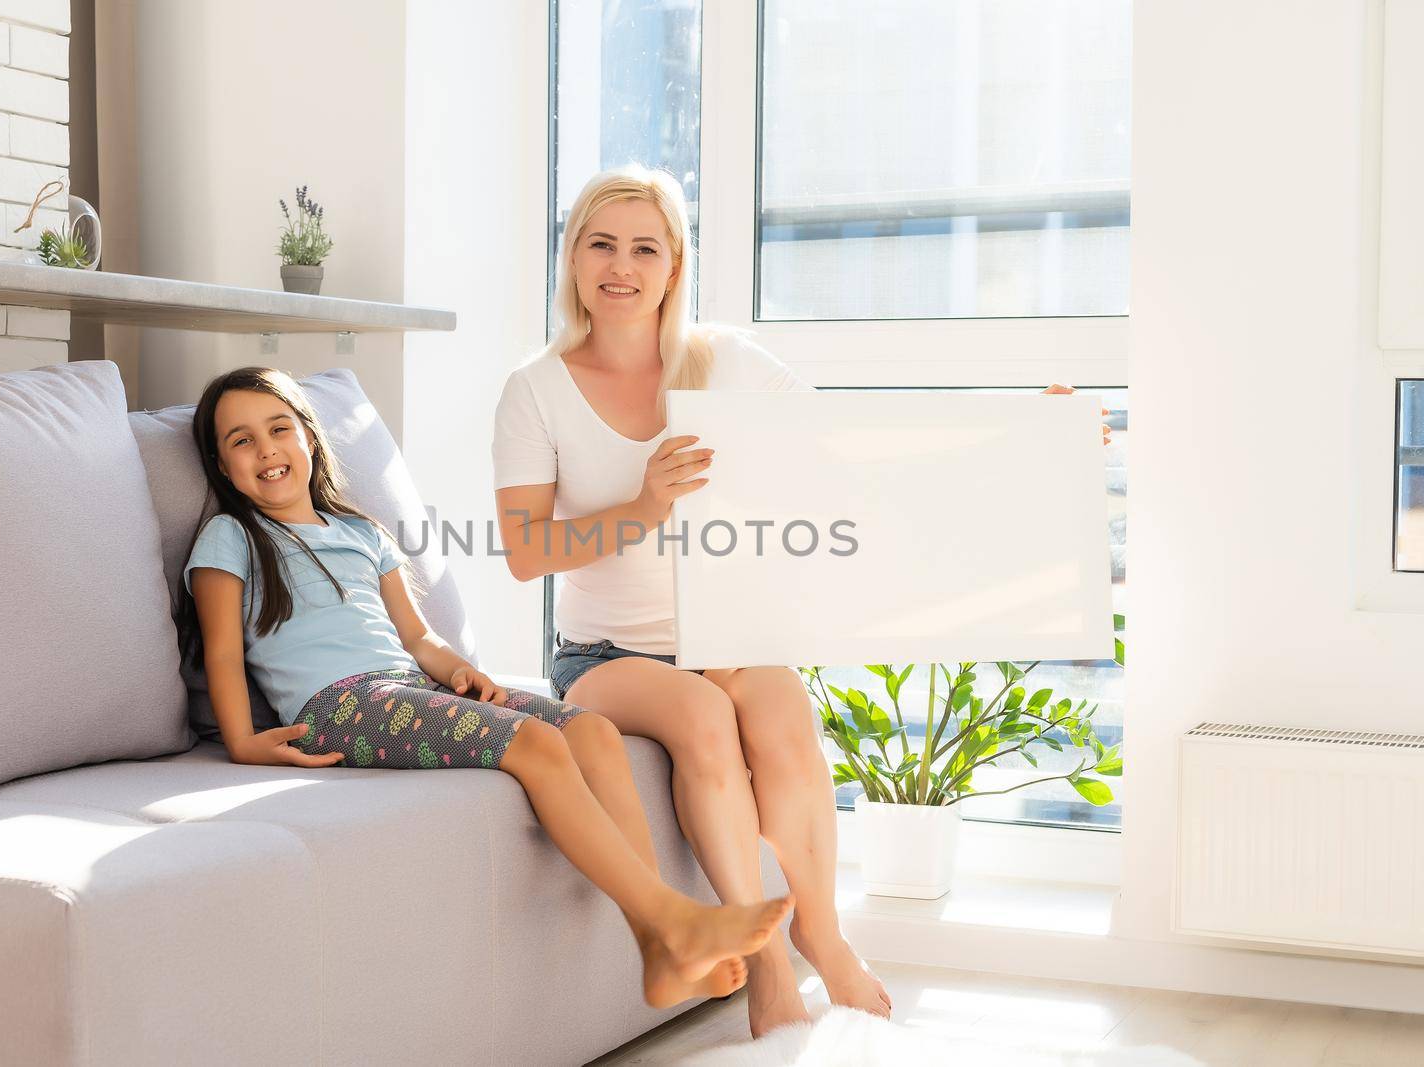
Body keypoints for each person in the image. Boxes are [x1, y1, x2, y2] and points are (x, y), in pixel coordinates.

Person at [492, 164, 1111, 1037]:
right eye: (601, 244)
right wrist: (642, 507)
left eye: (645, 247)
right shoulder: (536, 389)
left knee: (780, 700)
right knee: (705, 713)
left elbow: (856, 447)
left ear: (675, 266)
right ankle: (767, 966)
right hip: (603, 659)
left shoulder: (726, 361)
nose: (620, 266)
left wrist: (1029, 429)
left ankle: (821, 930)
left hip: (725, 633)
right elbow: (524, 552)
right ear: (573, 259)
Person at [176, 365, 794, 1010]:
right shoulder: (232, 536)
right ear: (221, 466)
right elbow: (222, 649)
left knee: (591, 730)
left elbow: (418, 639)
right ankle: (671, 921)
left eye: (279, 429)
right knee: (535, 743)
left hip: (406, 685)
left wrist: (458, 673)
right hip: (339, 704)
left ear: (309, 437)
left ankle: (658, 943)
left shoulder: (361, 533)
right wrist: (244, 742)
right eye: (241, 441)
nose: (267, 450)